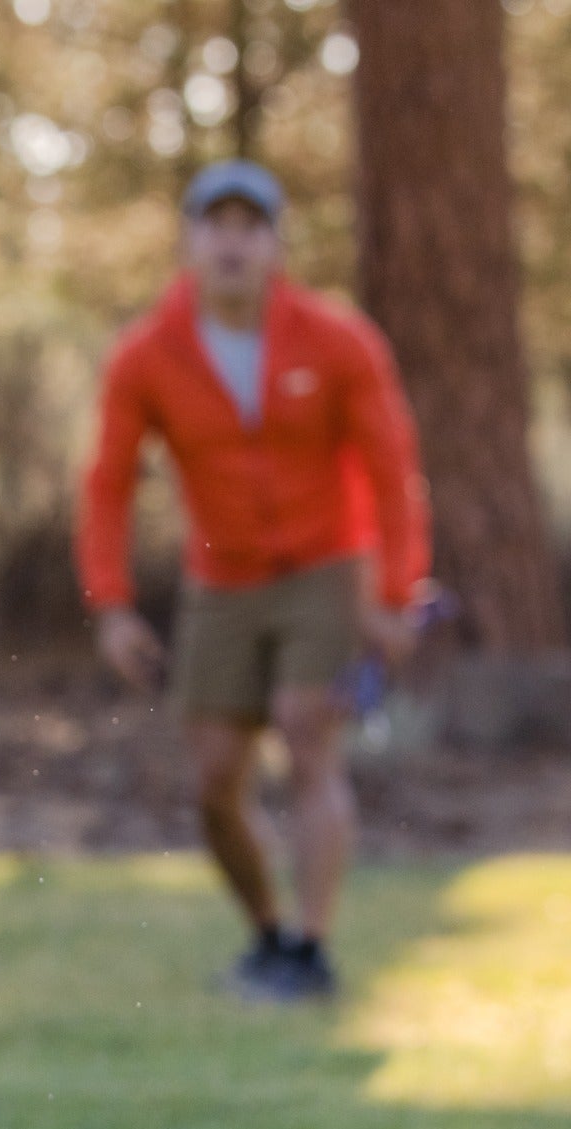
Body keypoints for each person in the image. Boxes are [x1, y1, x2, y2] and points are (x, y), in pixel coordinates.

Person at [77, 159, 431, 1000]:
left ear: (275, 245)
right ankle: (268, 934)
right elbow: (106, 483)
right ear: (188, 241)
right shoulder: (146, 356)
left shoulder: (338, 340)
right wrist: (112, 604)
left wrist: (397, 591)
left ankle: (312, 949)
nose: (233, 242)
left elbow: (392, 469)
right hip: (220, 576)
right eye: (216, 224)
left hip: (326, 563)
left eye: (250, 226)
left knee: (308, 732)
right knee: (213, 782)